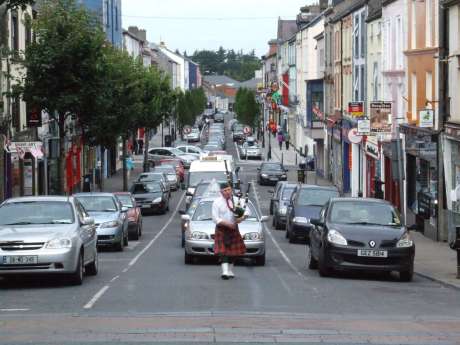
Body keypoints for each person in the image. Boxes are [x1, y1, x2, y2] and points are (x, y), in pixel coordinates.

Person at [212, 181, 246, 280]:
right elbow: (215, 218)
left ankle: (230, 270)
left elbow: (247, 211)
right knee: (223, 252)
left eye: (229, 190)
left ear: (231, 190)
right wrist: (227, 224)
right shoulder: (217, 202)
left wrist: (241, 218)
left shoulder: (237, 201)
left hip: (234, 228)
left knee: (233, 253)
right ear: (221, 192)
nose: (227, 192)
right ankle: (225, 271)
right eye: (225, 190)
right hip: (222, 228)